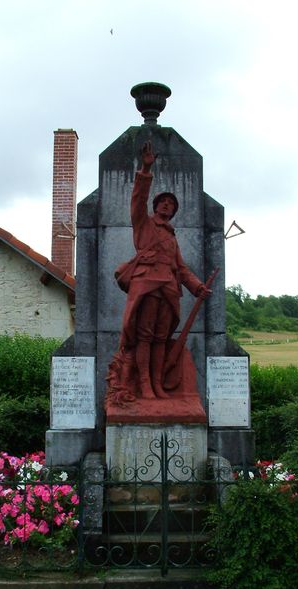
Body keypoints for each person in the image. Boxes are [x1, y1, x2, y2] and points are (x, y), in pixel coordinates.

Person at [114, 141, 211, 400]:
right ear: (156, 206)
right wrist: (146, 169)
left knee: (160, 338)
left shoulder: (172, 237)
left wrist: (197, 286)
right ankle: (145, 386)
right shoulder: (143, 224)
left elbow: (180, 268)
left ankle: (157, 385)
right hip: (147, 285)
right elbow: (138, 199)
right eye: (164, 202)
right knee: (144, 338)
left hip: (168, 289)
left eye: (171, 204)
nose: (167, 205)